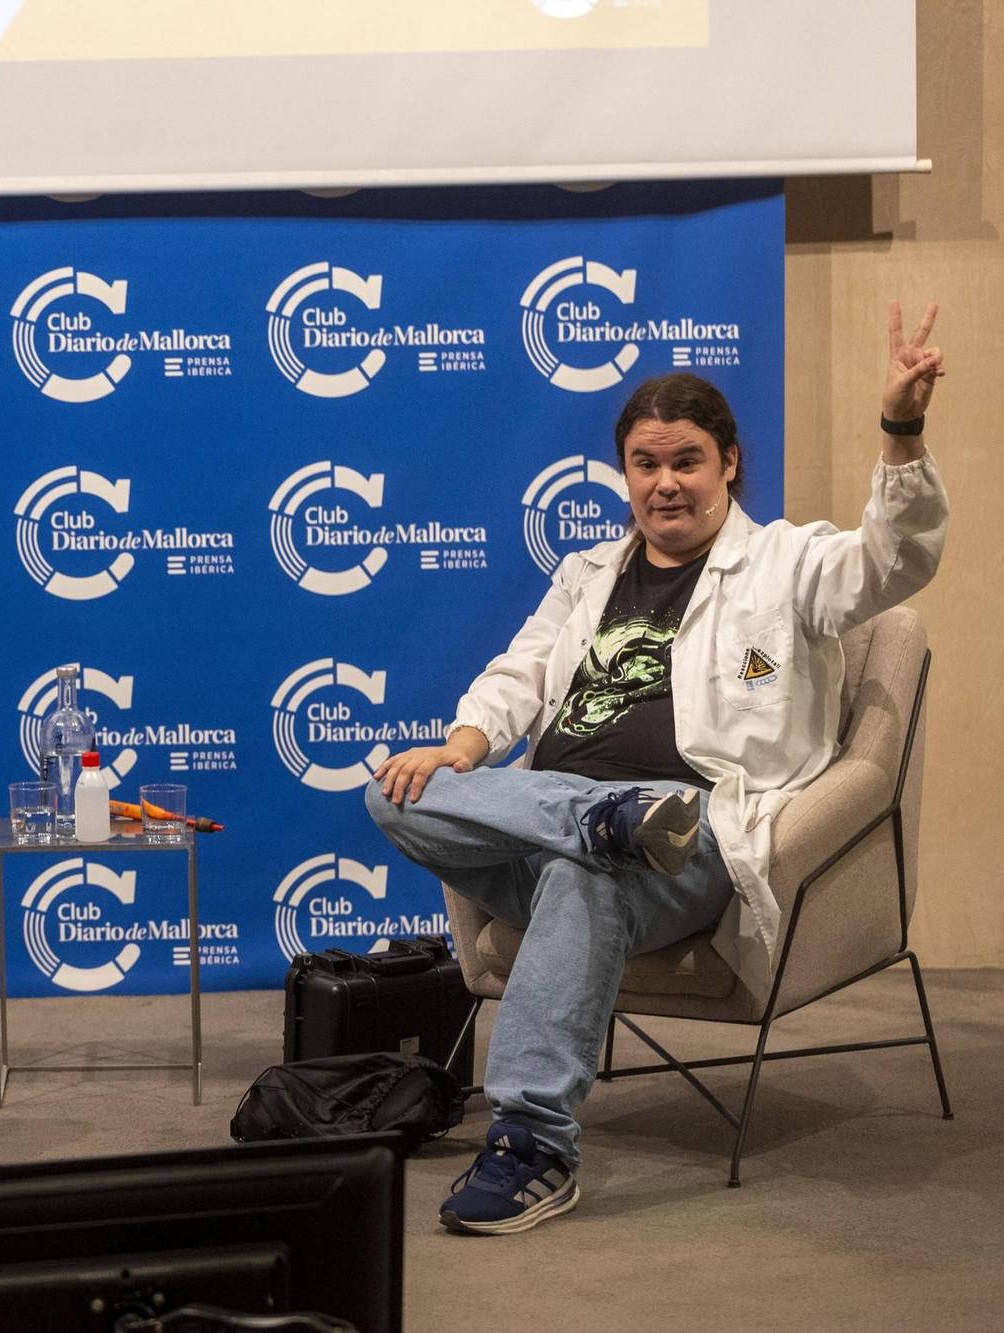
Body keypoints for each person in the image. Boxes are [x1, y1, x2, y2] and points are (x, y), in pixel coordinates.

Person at [365, 303, 949, 1235]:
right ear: (625, 473)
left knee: (590, 876)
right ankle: (594, 819)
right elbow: (521, 671)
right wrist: (463, 747)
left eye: (686, 461)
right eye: (646, 463)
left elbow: (894, 559)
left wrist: (900, 428)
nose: (665, 482)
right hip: (568, 824)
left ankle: (531, 1144)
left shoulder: (787, 564)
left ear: (729, 464)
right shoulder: (587, 572)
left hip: (691, 836)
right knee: (399, 793)